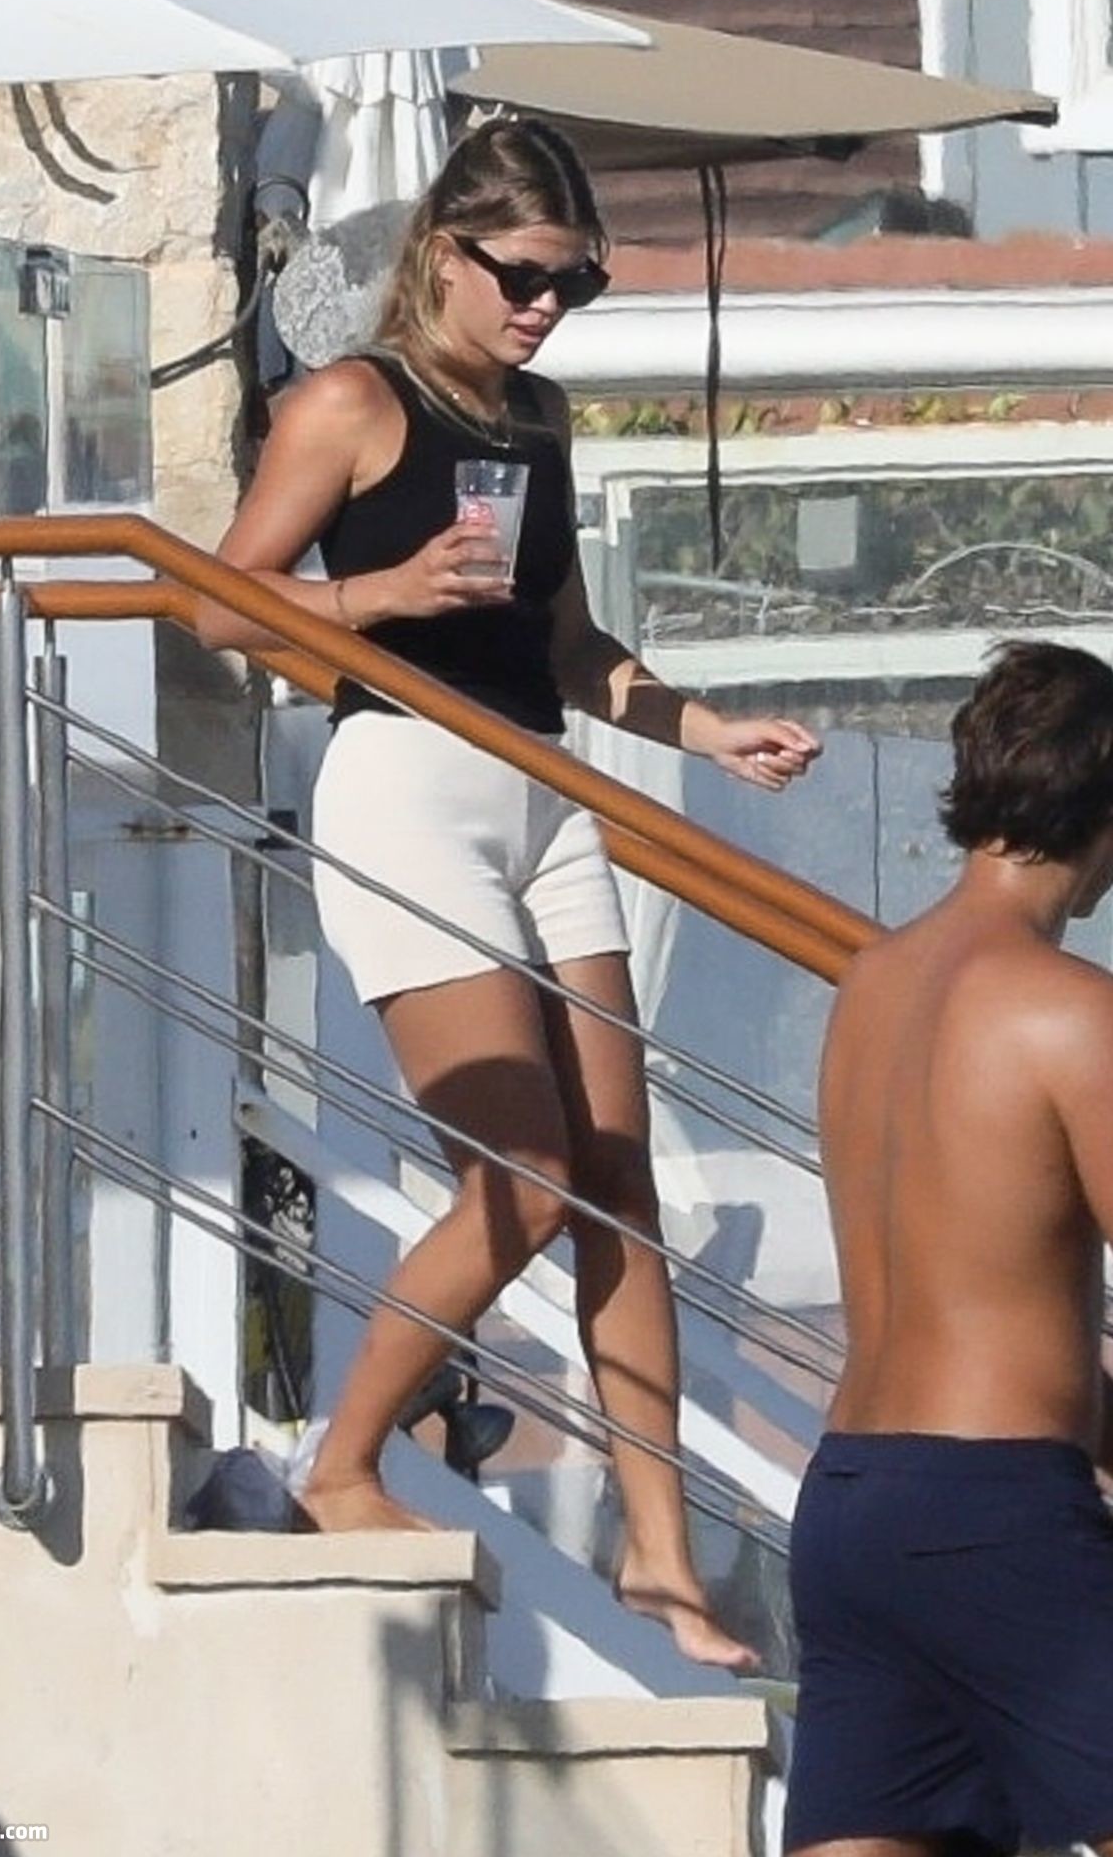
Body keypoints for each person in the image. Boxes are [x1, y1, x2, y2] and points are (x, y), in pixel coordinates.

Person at [203, 118, 820, 1670]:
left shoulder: (537, 417)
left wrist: (705, 727)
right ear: (444, 251)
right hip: (407, 782)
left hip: (540, 787)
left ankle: (661, 1562)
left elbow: (570, 650)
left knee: (618, 1186)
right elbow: (217, 602)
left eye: (577, 284)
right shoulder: (351, 402)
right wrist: (381, 593)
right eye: (526, 276)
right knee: (526, 1176)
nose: (548, 308)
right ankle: (341, 1461)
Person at [786, 639, 1113, 1855]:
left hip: (849, 1503)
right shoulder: (1069, 1011)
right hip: (993, 1511)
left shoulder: (871, 987)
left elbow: (982, 1276)